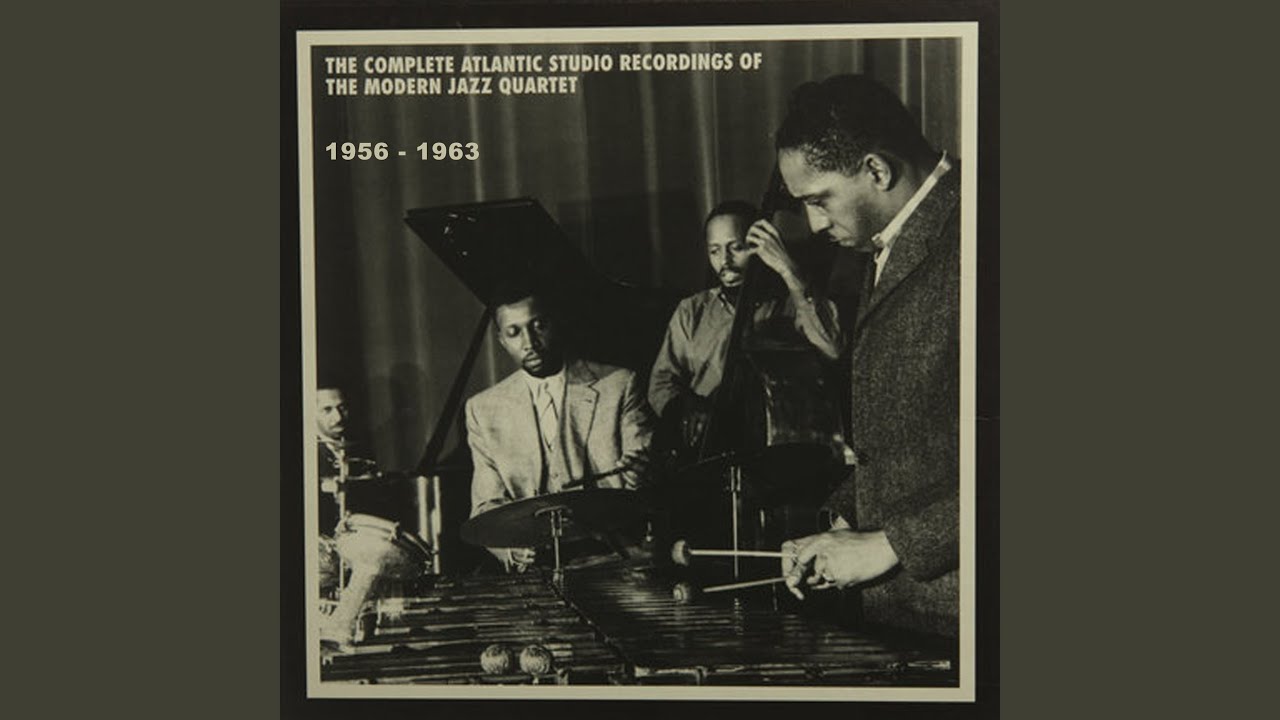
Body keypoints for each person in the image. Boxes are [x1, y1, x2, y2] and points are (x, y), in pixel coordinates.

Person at [768, 74, 962, 638]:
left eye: (818, 200)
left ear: (876, 170)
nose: (814, 224)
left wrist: (891, 544)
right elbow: (915, 438)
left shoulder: (980, 234)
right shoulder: (886, 248)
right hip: (910, 612)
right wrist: (841, 521)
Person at [465, 281, 654, 571]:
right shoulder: (483, 409)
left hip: (614, 559)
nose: (529, 342)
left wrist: (640, 474)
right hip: (537, 570)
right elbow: (485, 506)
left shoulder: (619, 385)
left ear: (555, 322)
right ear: (501, 340)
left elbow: (642, 484)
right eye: (514, 332)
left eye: (538, 325)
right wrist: (513, 550)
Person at [648, 200, 842, 450]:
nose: (725, 261)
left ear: (761, 246)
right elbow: (662, 382)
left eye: (736, 248)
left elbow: (832, 349)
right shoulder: (692, 310)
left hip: (778, 443)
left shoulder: (794, 304)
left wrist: (788, 269)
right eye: (714, 251)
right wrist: (685, 410)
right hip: (709, 447)